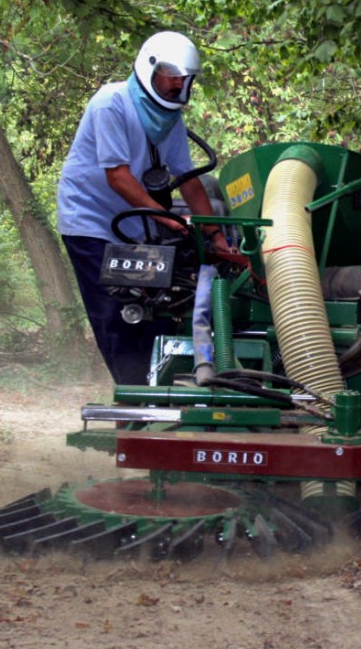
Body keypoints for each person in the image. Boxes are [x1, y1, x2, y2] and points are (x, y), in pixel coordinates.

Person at [57, 31, 232, 384]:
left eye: (185, 78)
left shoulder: (169, 120)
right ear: (150, 69)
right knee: (115, 313)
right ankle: (133, 401)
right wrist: (167, 220)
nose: (178, 84)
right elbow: (118, 178)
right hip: (88, 220)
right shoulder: (112, 103)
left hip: (133, 223)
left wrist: (217, 238)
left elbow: (190, 181)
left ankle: (160, 390)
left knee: (156, 309)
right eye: (171, 75)